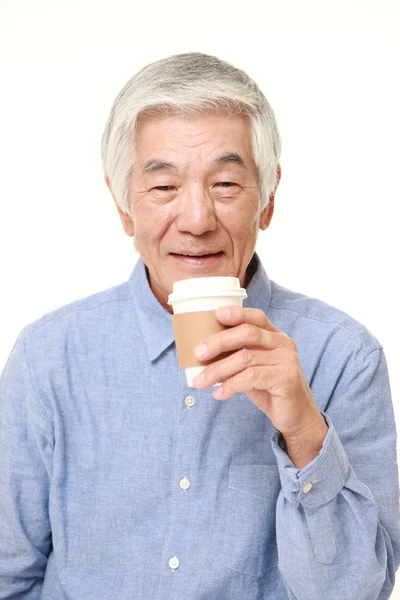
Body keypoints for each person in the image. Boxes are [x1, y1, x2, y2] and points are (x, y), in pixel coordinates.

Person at [0, 52, 399, 600]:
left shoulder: (344, 356)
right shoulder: (49, 356)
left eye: (226, 184)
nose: (195, 219)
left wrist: (306, 431)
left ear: (269, 197)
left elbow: (357, 593)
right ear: (123, 206)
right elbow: (9, 574)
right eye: (163, 188)